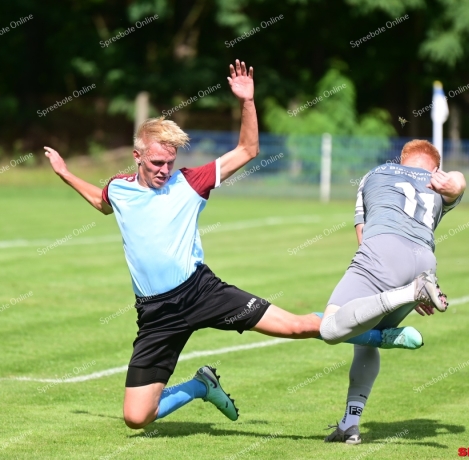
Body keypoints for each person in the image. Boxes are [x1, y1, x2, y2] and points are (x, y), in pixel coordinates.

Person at [44, 60, 444, 429]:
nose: (165, 170)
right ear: (137, 157)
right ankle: (202, 385)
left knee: (297, 327)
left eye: (169, 162)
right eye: (156, 164)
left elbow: (248, 150)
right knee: (136, 417)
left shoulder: (190, 181)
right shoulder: (118, 188)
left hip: (201, 292)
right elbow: (101, 202)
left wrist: (248, 102)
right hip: (155, 313)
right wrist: (64, 173)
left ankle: (378, 335)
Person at [320, 139, 466, 444]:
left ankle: (409, 293)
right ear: (434, 168)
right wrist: (454, 183)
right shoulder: (438, 184)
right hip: (426, 262)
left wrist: (400, 288)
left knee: (330, 327)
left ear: (401, 160)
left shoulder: (377, 173)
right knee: (368, 337)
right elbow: (459, 184)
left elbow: (363, 235)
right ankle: (350, 423)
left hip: (386, 250)